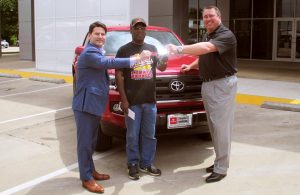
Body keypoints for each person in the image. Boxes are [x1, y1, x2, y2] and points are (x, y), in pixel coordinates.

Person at [72, 21, 151, 193]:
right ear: (90, 35)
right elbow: (108, 63)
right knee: (85, 143)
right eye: (97, 34)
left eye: (102, 34)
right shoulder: (89, 53)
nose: (100, 37)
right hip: (85, 106)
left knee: (91, 142)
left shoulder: (98, 51)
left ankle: (90, 171)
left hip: (92, 105)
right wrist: (137, 58)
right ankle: (86, 178)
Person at [167, 5, 238, 183]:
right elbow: (205, 56)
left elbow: (206, 48)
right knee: (214, 127)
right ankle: (218, 161)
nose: (207, 19)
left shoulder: (226, 35)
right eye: (205, 16)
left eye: (211, 16)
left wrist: (179, 49)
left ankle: (222, 168)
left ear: (219, 17)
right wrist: (190, 66)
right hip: (208, 85)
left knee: (221, 128)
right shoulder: (210, 34)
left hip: (222, 85)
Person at [115, 18, 168, 180]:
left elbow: (161, 67)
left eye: (142, 28)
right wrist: (123, 100)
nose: (139, 30)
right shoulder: (124, 50)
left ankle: (146, 163)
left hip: (150, 101)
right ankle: (132, 163)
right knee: (132, 135)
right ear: (131, 30)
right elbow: (119, 75)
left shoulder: (152, 48)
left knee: (149, 135)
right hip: (132, 102)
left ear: (146, 31)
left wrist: (164, 59)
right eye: (136, 28)